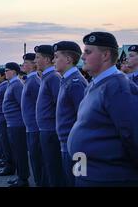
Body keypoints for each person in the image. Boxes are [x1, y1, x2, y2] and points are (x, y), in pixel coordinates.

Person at [68, 32, 138, 187]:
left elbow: (135, 139)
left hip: (110, 177)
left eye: (88, 52)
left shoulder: (120, 88)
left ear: (105, 55)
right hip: (89, 172)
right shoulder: (95, 85)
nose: (82, 57)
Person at [53, 41, 87, 186]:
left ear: (68, 59)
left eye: (56, 56)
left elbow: (83, 118)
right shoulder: (66, 80)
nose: (53, 60)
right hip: (67, 143)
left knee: (77, 182)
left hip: (76, 146)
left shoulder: (75, 83)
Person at [35, 44, 64, 187]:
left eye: (37, 57)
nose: (35, 61)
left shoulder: (53, 77)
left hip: (51, 130)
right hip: (45, 129)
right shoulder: (47, 77)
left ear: (47, 60)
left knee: (54, 168)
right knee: (47, 165)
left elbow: (59, 105)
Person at [2, 62, 29, 186]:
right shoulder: (11, 84)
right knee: (16, 151)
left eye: (7, 70)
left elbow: (22, 105)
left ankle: (23, 179)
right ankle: (19, 176)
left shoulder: (17, 85)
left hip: (17, 124)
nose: (5, 73)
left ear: (13, 71)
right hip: (12, 123)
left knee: (20, 152)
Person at [21, 53, 45, 186]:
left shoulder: (34, 81)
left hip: (35, 127)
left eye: (26, 62)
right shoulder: (30, 80)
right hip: (30, 126)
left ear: (33, 65)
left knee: (37, 160)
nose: (23, 65)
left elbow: (39, 104)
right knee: (34, 159)